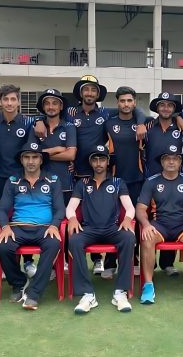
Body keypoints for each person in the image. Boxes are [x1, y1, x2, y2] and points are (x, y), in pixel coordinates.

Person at [65, 75, 146, 275]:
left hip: (115, 175)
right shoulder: (70, 113)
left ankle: (130, 259)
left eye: (93, 90)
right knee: (96, 217)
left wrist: (142, 120)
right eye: (86, 89)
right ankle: (103, 261)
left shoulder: (105, 113)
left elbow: (135, 110)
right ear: (81, 93)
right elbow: (53, 118)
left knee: (123, 217)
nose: (90, 93)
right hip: (83, 174)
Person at [66, 145, 136, 314]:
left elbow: (130, 208)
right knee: (74, 240)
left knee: (128, 238)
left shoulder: (118, 182)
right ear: (91, 162)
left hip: (112, 228)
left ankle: (120, 292)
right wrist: (73, 218)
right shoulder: (82, 183)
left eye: (102, 159)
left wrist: (127, 218)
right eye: (95, 160)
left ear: (108, 161)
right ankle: (87, 294)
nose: (99, 163)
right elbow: (70, 207)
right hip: (89, 229)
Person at [0, 142, 65, 310]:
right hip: (18, 227)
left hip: (44, 228)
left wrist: (55, 225)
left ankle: (34, 293)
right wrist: (5, 227)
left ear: (41, 160)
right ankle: (19, 282)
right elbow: (3, 209)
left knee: (53, 244)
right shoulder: (13, 181)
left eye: (35, 157)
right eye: (27, 157)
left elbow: (60, 208)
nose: (31, 161)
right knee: (3, 247)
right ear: (21, 160)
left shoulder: (53, 180)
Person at [136, 147, 183, 305]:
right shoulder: (151, 181)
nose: (171, 161)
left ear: (180, 161)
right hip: (159, 224)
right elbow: (141, 208)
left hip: (181, 225)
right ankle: (148, 286)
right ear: (162, 162)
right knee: (147, 238)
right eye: (167, 158)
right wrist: (146, 225)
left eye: (175, 158)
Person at [0, 84, 40, 278]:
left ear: (18, 101)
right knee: (4, 216)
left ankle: (28, 261)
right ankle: (8, 262)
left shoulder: (28, 122)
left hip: (23, 179)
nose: (9, 103)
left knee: (24, 215)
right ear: (0, 101)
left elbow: (30, 151)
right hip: (2, 177)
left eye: (13, 99)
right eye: (6, 99)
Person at [104, 87, 146, 279]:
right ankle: (110, 262)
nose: (126, 104)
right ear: (117, 102)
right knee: (113, 219)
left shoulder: (144, 123)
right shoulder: (109, 122)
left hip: (137, 179)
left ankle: (134, 260)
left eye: (130, 101)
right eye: (122, 101)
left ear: (135, 102)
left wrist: (141, 121)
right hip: (114, 179)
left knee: (135, 221)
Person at [142, 91, 183, 276]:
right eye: (162, 105)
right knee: (150, 219)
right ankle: (147, 262)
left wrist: (180, 117)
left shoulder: (181, 127)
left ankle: (167, 263)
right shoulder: (147, 125)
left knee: (172, 216)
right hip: (151, 180)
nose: (166, 108)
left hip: (175, 180)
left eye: (170, 105)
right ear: (157, 108)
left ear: (174, 109)